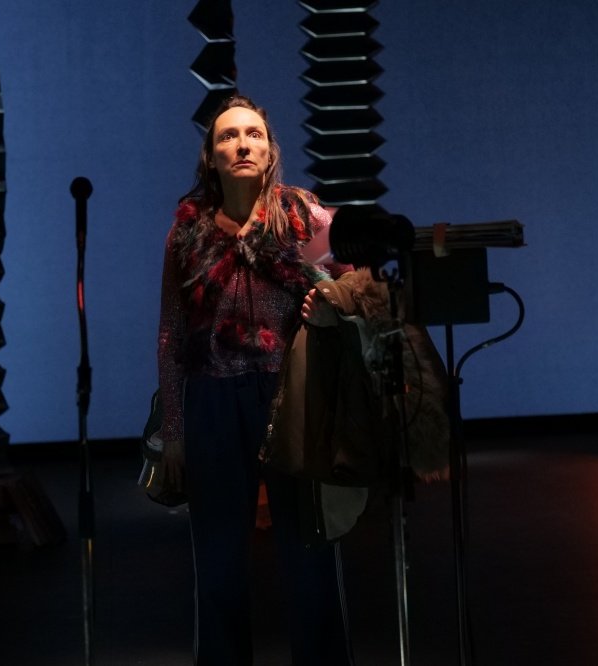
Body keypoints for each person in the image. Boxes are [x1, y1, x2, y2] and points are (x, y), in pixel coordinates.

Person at [156, 94, 353, 665]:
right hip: (213, 400)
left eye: (254, 135)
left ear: (270, 151)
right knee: (217, 563)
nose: (242, 144)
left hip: (291, 394)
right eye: (227, 136)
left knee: (310, 555)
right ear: (210, 157)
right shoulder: (187, 234)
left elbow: (356, 284)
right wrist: (173, 429)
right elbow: (170, 333)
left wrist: (330, 300)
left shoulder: (301, 217)